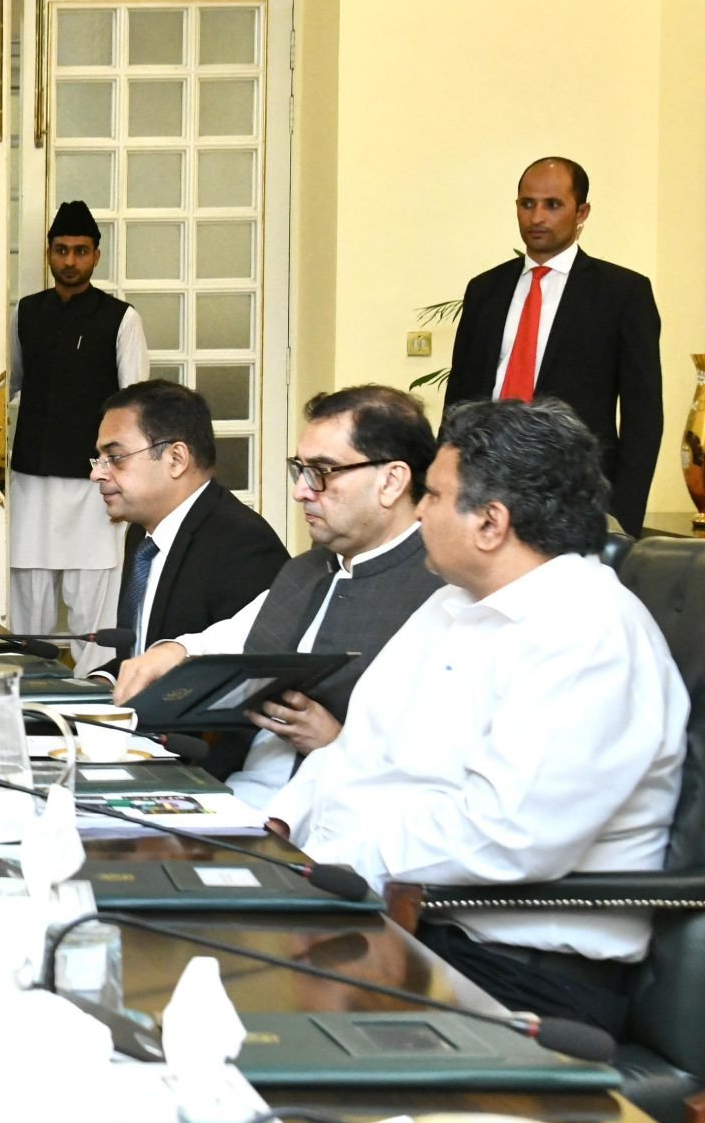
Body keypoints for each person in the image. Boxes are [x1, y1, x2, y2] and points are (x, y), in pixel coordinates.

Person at [268, 399, 686, 1038]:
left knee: (251, 1025)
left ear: (490, 522)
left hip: (513, 965)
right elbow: (356, 754)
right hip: (397, 916)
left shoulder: (588, 633)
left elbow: (506, 834)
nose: (421, 510)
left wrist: (330, 866)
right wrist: (276, 832)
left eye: (433, 494)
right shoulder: (450, 604)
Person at [113, 385, 442, 804]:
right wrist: (173, 651)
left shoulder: (442, 588)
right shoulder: (310, 567)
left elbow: (444, 768)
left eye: (322, 472)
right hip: (237, 794)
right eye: (299, 470)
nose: (301, 491)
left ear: (392, 480)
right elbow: (237, 636)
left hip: (340, 823)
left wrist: (335, 745)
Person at [445, 156, 662, 534]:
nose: (537, 217)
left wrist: (624, 517)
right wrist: (443, 490)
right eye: (527, 204)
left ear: (582, 212)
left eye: (553, 205)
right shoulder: (485, 290)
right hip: (484, 485)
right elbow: (458, 398)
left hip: (573, 492)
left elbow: (643, 416)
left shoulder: (623, 293)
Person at [9, 201, 149, 657]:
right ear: (48, 253)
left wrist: (127, 473)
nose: (70, 261)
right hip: (31, 476)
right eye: (62, 250)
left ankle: (95, 689)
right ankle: (25, 684)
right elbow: (4, 385)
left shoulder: (120, 319)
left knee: (94, 595)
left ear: (96, 256)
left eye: (81, 251)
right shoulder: (25, 314)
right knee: (27, 588)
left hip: (94, 480)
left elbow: (136, 402)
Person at [89, 380, 285, 669]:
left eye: (115, 458)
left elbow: (238, 678)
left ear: (176, 459)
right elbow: (139, 658)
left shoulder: (243, 543)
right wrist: (104, 681)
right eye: (99, 459)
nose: (97, 475)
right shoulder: (141, 535)